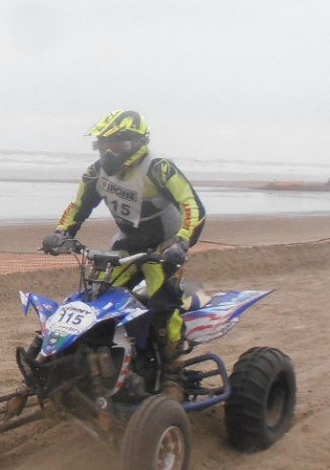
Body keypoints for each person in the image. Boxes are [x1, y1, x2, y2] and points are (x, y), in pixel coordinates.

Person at [41, 109, 206, 401]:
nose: (107, 150)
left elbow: (192, 206)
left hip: (163, 248)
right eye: (102, 144)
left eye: (114, 144)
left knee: (163, 306)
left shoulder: (159, 168)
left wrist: (181, 243)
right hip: (127, 244)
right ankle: (90, 355)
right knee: (95, 298)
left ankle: (172, 372)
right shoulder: (96, 173)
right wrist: (61, 233)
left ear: (133, 143)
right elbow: (78, 206)